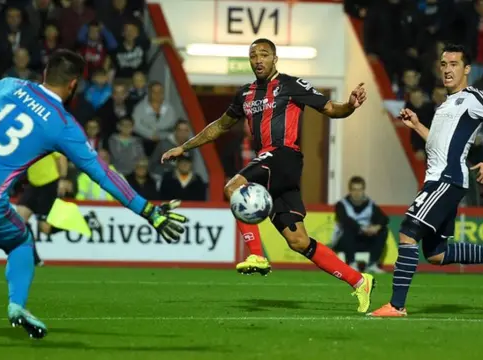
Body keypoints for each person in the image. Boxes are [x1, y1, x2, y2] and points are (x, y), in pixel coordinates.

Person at [0, 50, 188, 339]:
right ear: (73, 85)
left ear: (45, 74)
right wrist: (147, 210)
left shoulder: (12, 85)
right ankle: (16, 305)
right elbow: (104, 174)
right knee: (21, 241)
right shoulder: (62, 124)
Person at [161, 38, 375, 313]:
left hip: (284, 156)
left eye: (264, 54)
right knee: (298, 241)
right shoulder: (245, 94)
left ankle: (256, 255)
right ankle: (359, 281)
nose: (258, 59)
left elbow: (330, 109)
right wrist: (184, 146)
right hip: (271, 165)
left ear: (275, 59)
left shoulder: (290, 85)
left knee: (233, 186)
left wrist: (350, 105)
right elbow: (219, 127)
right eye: (253, 55)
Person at [369, 44, 483, 318]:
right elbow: (439, 144)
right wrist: (417, 125)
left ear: (467, 69)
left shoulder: (473, 97)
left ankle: (396, 305)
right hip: (440, 179)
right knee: (436, 254)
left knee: (407, 231)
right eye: (443, 64)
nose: (447, 69)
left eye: (454, 64)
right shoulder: (446, 103)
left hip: (446, 179)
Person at [332, 176, 388, 274]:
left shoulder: (370, 204)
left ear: (363, 190)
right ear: (350, 191)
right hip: (344, 241)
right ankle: (351, 263)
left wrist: (376, 227)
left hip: (364, 240)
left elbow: (384, 218)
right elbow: (345, 220)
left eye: (360, 190)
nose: (357, 193)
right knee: (348, 229)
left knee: (383, 230)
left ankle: (372, 264)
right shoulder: (341, 205)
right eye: (354, 190)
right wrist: (362, 229)